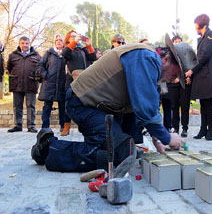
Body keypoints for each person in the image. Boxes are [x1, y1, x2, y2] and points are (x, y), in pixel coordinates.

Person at [31, 42, 185, 173]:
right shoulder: (146, 58)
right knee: (118, 154)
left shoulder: (150, 63)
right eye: (176, 73)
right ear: (166, 59)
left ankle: (103, 144)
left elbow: (148, 107)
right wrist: (168, 138)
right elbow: (145, 107)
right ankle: (48, 148)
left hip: (102, 108)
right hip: (83, 104)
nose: (174, 79)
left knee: (128, 147)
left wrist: (157, 139)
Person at [185, 14, 212, 140]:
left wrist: (192, 71)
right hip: (202, 74)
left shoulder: (210, 35)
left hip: (209, 74)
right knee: (203, 103)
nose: (195, 27)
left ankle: (211, 131)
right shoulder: (201, 38)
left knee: (209, 103)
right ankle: (203, 129)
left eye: (196, 24)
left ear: (203, 24)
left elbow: (204, 56)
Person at [60, 30, 97, 136]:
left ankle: (86, 126)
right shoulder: (68, 49)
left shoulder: (82, 49)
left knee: (86, 103)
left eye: (76, 36)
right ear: (68, 39)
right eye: (72, 36)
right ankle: (66, 126)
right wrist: (74, 42)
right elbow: (64, 54)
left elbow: (93, 58)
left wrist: (89, 45)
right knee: (69, 103)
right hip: (71, 79)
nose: (75, 38)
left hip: (84, 81)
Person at [7, 36, 41, 133]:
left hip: (31, 84)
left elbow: (40, 69)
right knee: (17, 106)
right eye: (22, 43)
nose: (25, 45)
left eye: (26, 43)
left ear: (30, 44)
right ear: (19, 44)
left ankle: (31, 126)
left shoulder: (37, 56)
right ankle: (17, 125)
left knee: (31, 106)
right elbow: (9, 68)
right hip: (16, 84)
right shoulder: (12, 56)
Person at [38, 34, 66, 132]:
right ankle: (45, 127)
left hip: (62, 84)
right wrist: (45, 75)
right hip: (49, 83)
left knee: (63, 106)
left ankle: (63, 126)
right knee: (47, 106)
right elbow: (40, 65)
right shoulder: (49, 53)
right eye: (57, 40)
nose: (58, 41)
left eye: (61, 40)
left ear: (64, 42)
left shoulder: (67, 53)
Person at [167, 35, 193, 137]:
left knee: (185, 106)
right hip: (173, 84)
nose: (177, 43)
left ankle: (185, 128)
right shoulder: (168, 55)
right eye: (175, 42)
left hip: (185, 84)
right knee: (174, 107)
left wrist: (189, 77)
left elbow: (191, 66)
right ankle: (175, 129)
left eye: (179, 41)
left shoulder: (187, 54)